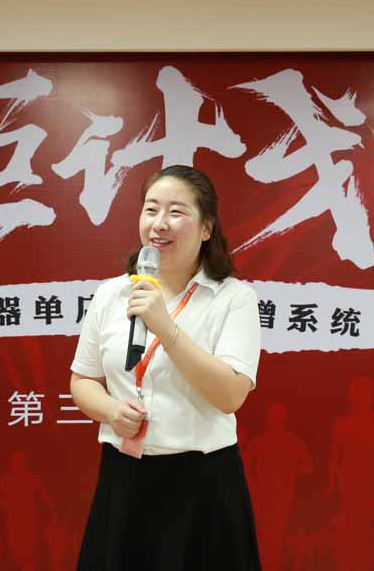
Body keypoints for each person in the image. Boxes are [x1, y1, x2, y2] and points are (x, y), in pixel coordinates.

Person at [70, 164, 262, 570]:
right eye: (151, 209)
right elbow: (83, 380)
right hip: (125, 480)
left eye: (176, 212)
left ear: (206, 228)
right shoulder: (111, 294)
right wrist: (110, 410)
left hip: (203, 487)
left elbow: (230, 395)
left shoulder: (234, 298)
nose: (159, 224)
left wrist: (166, 328)